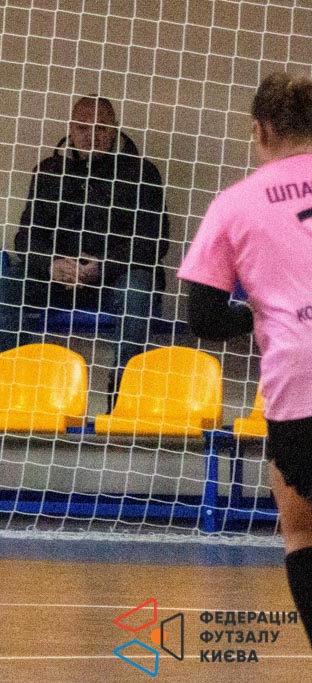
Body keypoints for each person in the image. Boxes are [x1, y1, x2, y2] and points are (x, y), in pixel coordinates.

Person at [178, 72, 312, 648]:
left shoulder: (233, 204)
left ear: (259, 130)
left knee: (302, 533)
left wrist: (262, 313)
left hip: (300, 381)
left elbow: (204, 318)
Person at [0, 95, 170, 406]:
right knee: (4, 285)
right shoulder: (50, 171)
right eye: (82, 127)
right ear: (71, 129)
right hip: (58, 281)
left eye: (100, 128)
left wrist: (101, 267)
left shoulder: (141, 173)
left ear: (114, 129)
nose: (91, 135)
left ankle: (122, 396)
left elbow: (154, 241)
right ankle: (19, 388)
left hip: (115, 280)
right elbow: (25, 237)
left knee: (137, 289)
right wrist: (51, 265)